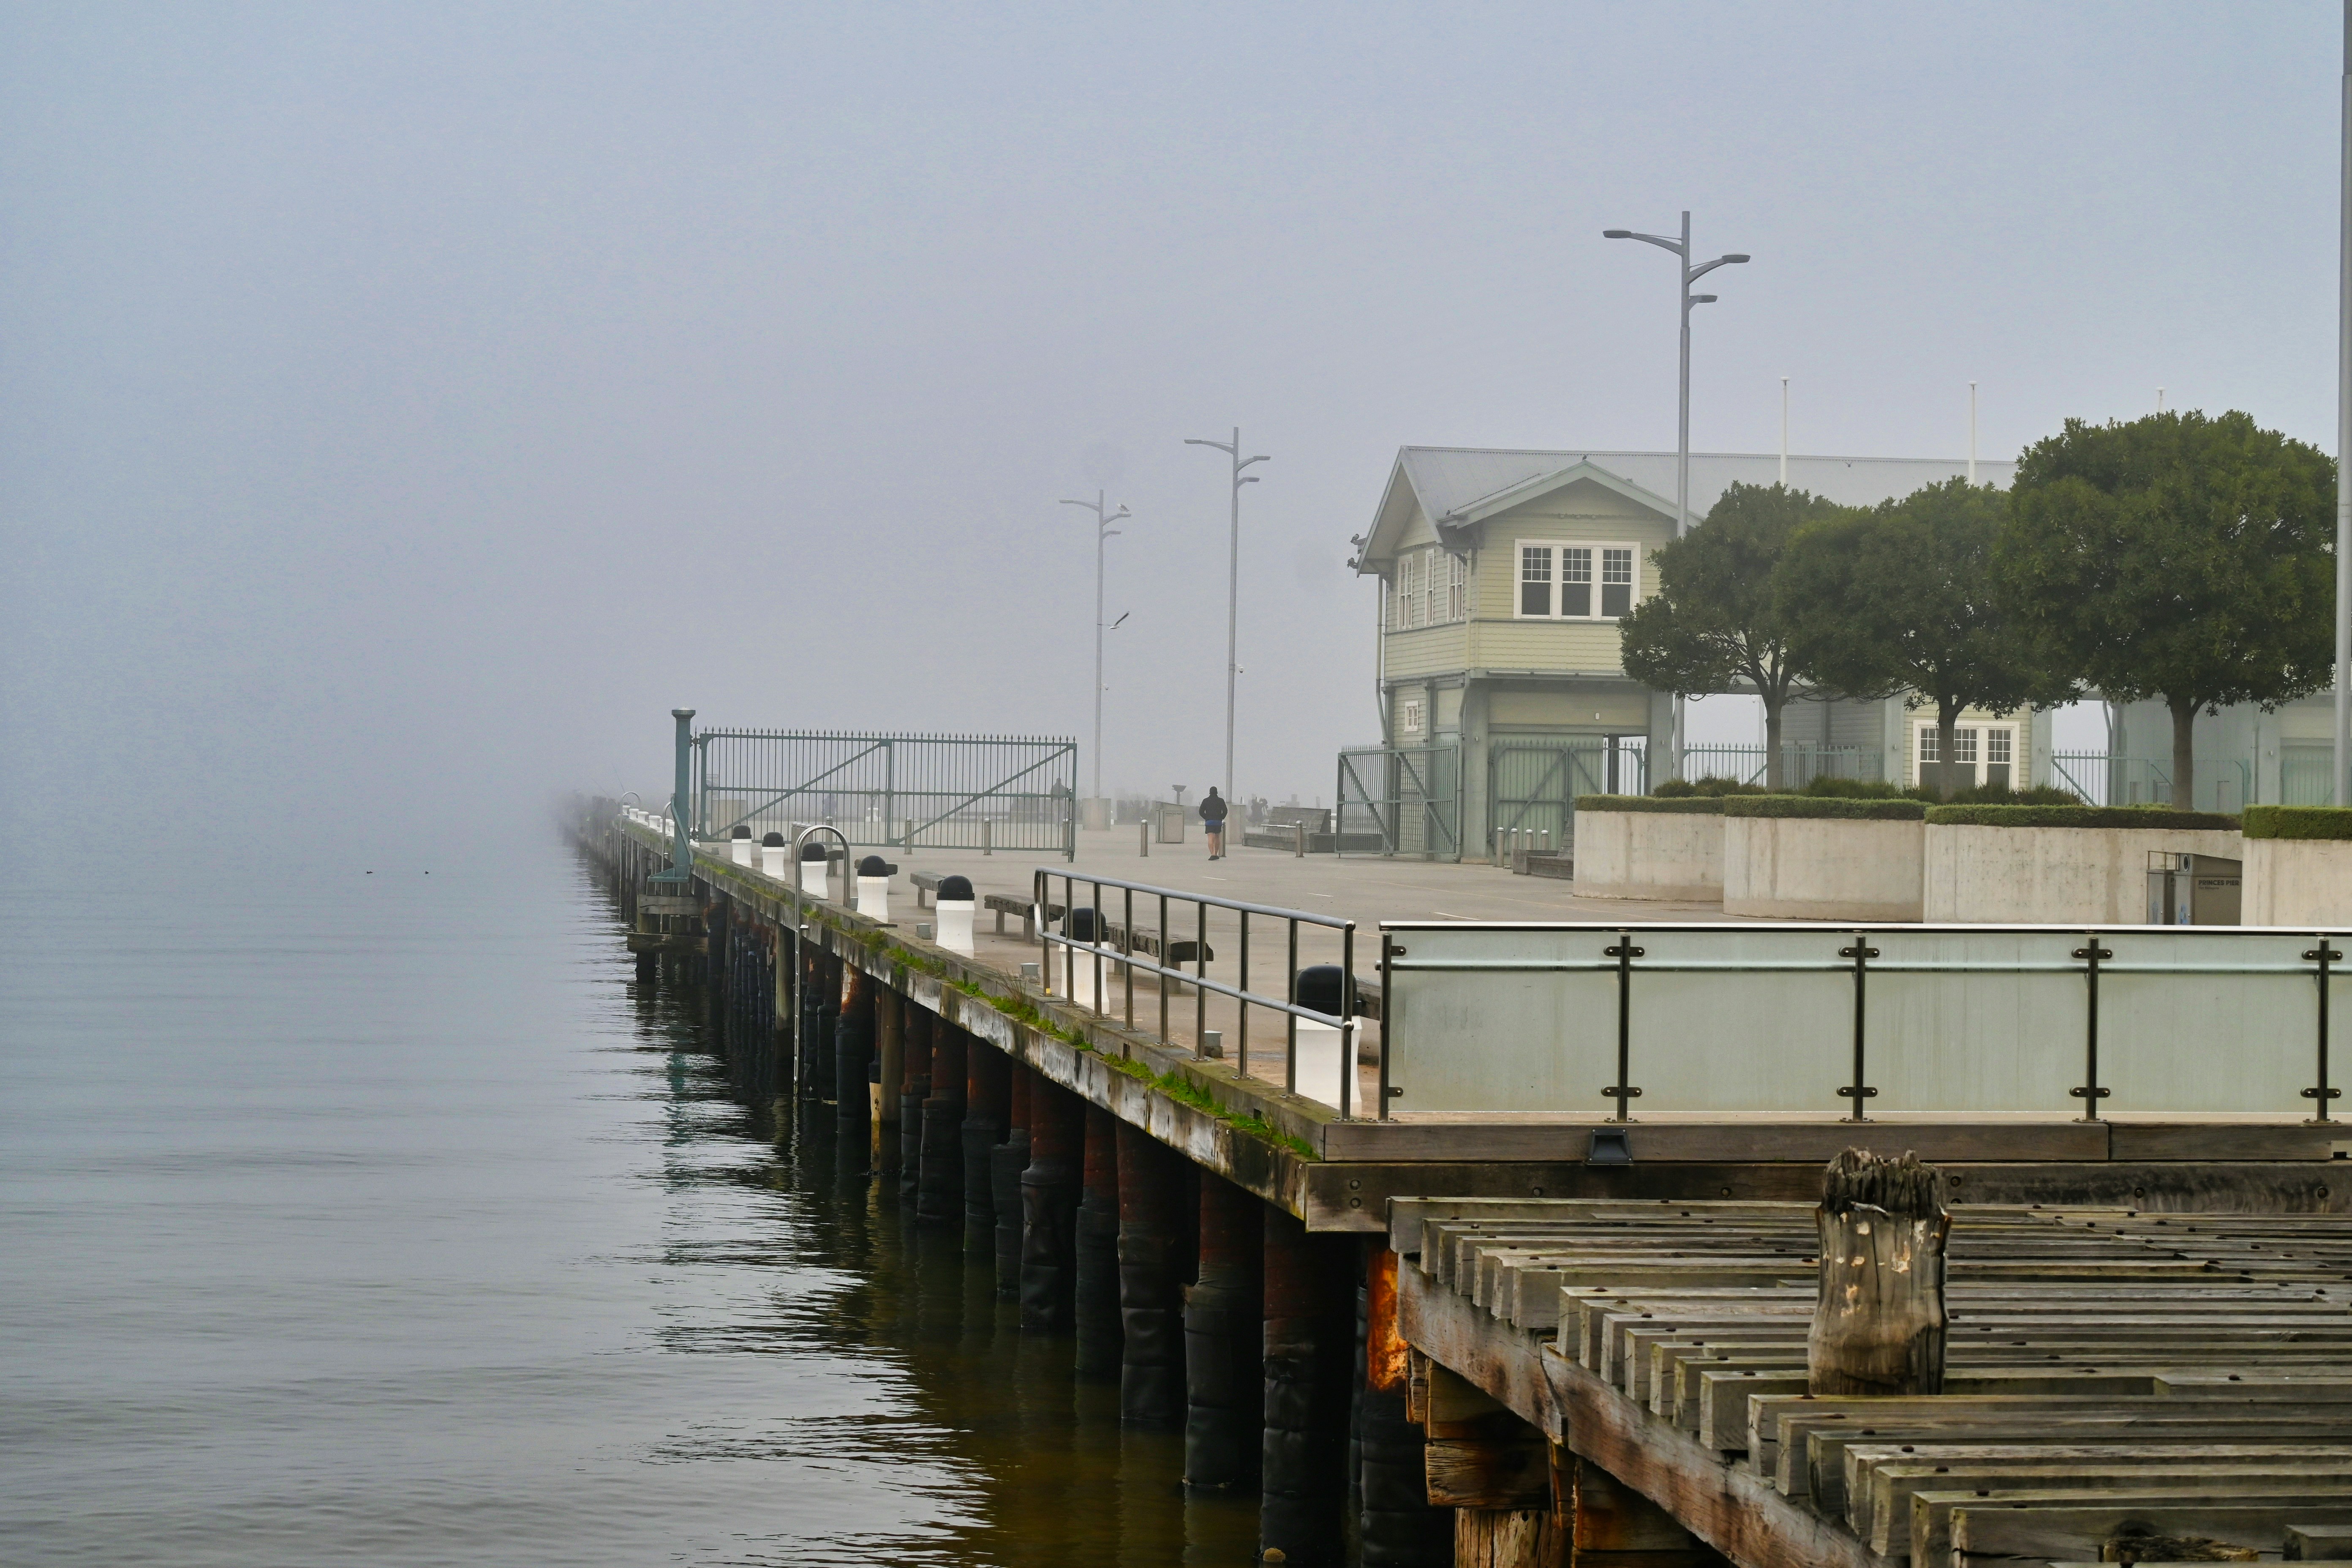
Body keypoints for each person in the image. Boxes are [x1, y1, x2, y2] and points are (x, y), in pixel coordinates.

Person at [1198, 786, 1228, 859]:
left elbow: (1201, 812)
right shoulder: (1221, 801)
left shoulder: (1206, 801)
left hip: (1209, 822)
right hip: (1218, 822)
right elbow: (1225, 811)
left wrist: (1207, 818)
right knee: (1217, 837)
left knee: (1210, 837)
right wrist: (1221, 818)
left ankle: (1212, 854)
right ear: (1217, 792)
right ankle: (1216, 853)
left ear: (1210, 792)